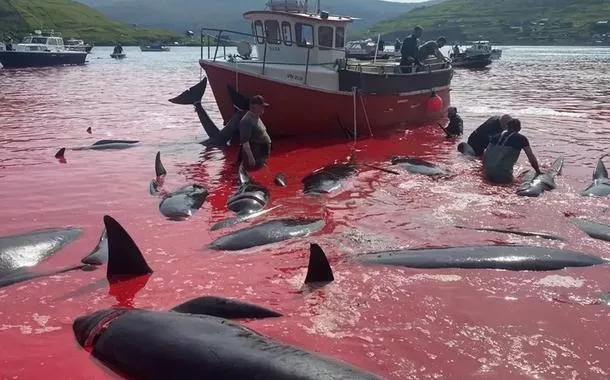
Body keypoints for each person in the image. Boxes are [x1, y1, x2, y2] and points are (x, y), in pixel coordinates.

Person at [483, 118, 541, 183]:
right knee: (524, 172)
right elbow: (531, 157)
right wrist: (538, 171)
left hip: (488, 172)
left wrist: (485, 171)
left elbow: (485, 154)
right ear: (519, 128)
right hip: (503, 175)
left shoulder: (495, 136)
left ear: (507, 127)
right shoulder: (522, 139)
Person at [238, 95, 272, 169]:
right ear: (255, 107)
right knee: (255, 173)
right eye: (261, 106)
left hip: (262, 154)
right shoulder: (246, 121)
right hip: (256, 155)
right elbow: (245, 142)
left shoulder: (256, 117)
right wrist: (251, 158)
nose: (263, 108)